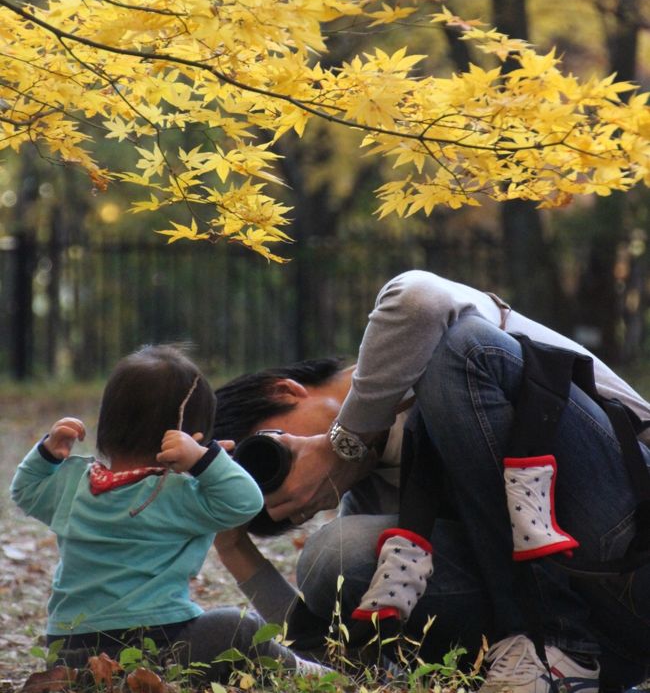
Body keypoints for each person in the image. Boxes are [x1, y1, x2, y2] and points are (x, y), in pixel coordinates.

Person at [213, 270, 650, 692]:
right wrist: (232, 544)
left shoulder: (435, 331)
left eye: (265, 452)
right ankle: (553, 657)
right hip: (615, 635)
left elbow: (420, 299)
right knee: (337, 555)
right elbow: (335, 656)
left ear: (284, 391)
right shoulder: (371, 495)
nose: (289, 474)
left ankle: (553, 642)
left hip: (631, 532)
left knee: (457, 348)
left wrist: (337, 446)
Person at [10, 344, 327, 685]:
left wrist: (47, 452)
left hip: (69, 649)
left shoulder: (73, 484)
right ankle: (302, 672)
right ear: (194, 436)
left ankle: (89, 681)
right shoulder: (177, 494)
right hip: (159, 649)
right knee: (239, 627)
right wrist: (207, 461)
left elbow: (24, 492)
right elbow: (246, 502)